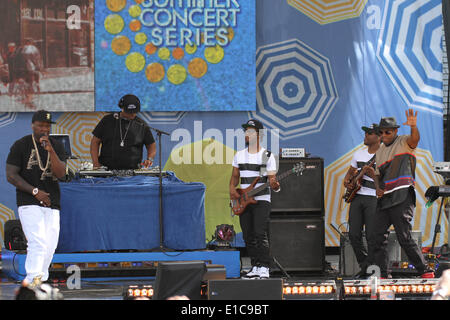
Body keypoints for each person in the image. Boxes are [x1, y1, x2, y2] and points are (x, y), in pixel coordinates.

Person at [6, 110, 67, 286]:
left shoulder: (56, 145)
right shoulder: (21, 145)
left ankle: (40, 279)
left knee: (50, 245)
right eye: (41, 125)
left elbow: (61, 174)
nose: (44, 129)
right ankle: (32, 280)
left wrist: (51, 150)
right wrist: (34, 191)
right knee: (37, 242)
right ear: (33, 125)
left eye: (47, 126)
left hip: (52, 202)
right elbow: (11, 175)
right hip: (29, 201)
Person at [373, 109, 434, 278]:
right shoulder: (379, 151)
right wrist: (378, 187)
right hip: (385, 198)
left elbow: (415, 139)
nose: (384, 134)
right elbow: (378, 174)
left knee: (404, 236)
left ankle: (424, 270)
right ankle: (384, 273)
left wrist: (414, 126)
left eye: (388, 131)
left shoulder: (403, 142)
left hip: (402, 195)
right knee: (377, 236)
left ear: (396, 131)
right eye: (382, 132)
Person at [229, 119, 280, 279]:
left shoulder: (267, 156)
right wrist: (232, 190)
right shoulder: (239, 155)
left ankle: (264, 267)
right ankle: (255, 266)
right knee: (247, 235)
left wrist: (274, 184)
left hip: (262, 199)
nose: (246, 134)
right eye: (246, 131)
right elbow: (235, 177)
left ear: (259, 135)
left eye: (250, 131)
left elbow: (272, 181)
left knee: (259, 233)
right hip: (244, 200)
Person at [343, 123, 381, 278]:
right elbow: (349, 174)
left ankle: (371, 269)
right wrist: (347, 182)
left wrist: (372, 175)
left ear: (378, 137)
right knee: (353, 235)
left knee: (372, 236)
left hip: (374, 198)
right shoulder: (358, 154)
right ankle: (366, 266)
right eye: (365, 133)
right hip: (357, 197)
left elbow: (386, 180)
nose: (365, 136)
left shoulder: (384, 155)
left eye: (369, 133)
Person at [90, 94, 156, 170]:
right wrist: (95, 163)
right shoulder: (107, 120)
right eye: (129, 112)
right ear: (122, 108)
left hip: (132, 173)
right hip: (107, 171)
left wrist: (150, 159)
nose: (132, 114)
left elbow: (151, 145)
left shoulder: (141, 124)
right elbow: (95, 142)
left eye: (134, 112)